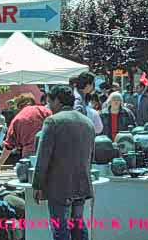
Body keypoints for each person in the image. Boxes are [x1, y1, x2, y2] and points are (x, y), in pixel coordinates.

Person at [32, 85, 95, 240]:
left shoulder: (52, 121)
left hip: (59, 186)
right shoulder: (88, 122)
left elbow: (43, 157)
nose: (49, 106)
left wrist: (37, 185)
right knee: (78, 227)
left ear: (57, 101)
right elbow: (90, 157)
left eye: (50, 102)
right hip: (82, 183)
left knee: (60, 230)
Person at [0, 93, 51, 174]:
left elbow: (8, 146)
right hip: (49, 151)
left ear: (19, 106)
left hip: (29, 155)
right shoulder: (45, 111)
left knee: (31, 180)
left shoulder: (17, 119)